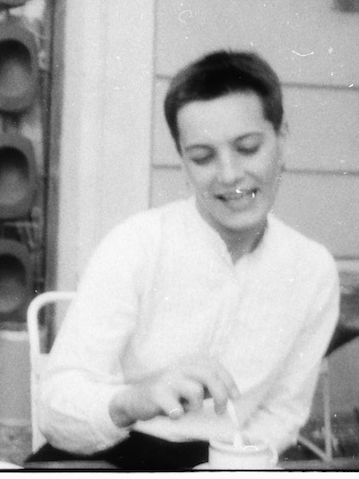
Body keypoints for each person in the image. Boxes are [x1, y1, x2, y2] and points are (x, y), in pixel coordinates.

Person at [30, 50, 339, 470]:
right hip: (106, 452)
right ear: (182, 163)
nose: (229, 174)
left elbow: (282, 415)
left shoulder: (312, 271)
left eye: (247, 148)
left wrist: (233, 464)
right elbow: (55, 409)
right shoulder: (138, 244)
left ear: (282, 139)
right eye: (203, 157)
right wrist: (135, 399)